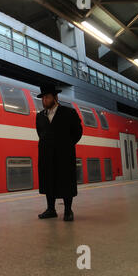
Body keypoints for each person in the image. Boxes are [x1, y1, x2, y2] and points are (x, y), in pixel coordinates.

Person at [35, 86, 83, 221]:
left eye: (47, 97)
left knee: (66, 181)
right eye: (43, 98)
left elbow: (78, 132)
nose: (44, 100)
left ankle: (68, 210)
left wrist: (67, 145)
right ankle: (51, 209)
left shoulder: (69, 112)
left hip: (64, 155)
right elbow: (40, 133)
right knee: (48, 180)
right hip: (46, 155)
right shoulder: (40, 116)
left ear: (55, 98)